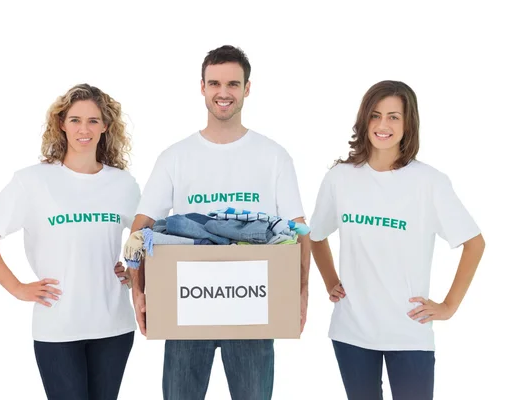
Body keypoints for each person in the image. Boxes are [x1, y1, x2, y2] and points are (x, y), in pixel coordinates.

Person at [129, 45, 310, 400]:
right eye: (214, 83)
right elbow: (141, 227)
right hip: (185, 304)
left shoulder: (273, 156)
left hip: (255, 304)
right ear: (202, 87)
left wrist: (302, 291)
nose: (223, 92)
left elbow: (300, 228)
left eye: (232, 83)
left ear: (247, 88)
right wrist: (138, 291)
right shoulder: (175, 157)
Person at [309, 80, 485, 400]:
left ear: (408, 123)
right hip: (352, 332)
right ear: (365, 120)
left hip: (408, 333)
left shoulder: (429, 182)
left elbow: (474, 243)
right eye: (375, 115)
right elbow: (316, 235)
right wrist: (330, 279)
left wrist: (448, 306)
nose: (383, 125)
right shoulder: (340, 178)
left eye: (393, 117)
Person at [0, 84, 140, 400]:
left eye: (92, 120)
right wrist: (17, 288)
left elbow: (145, 237)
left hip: (114, 326)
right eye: (74, 120)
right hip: (58, 326)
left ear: (105, 126)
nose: (83, 129)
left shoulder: (122, 184)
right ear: (61, 124)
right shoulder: (33, 181)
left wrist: (134, 272)